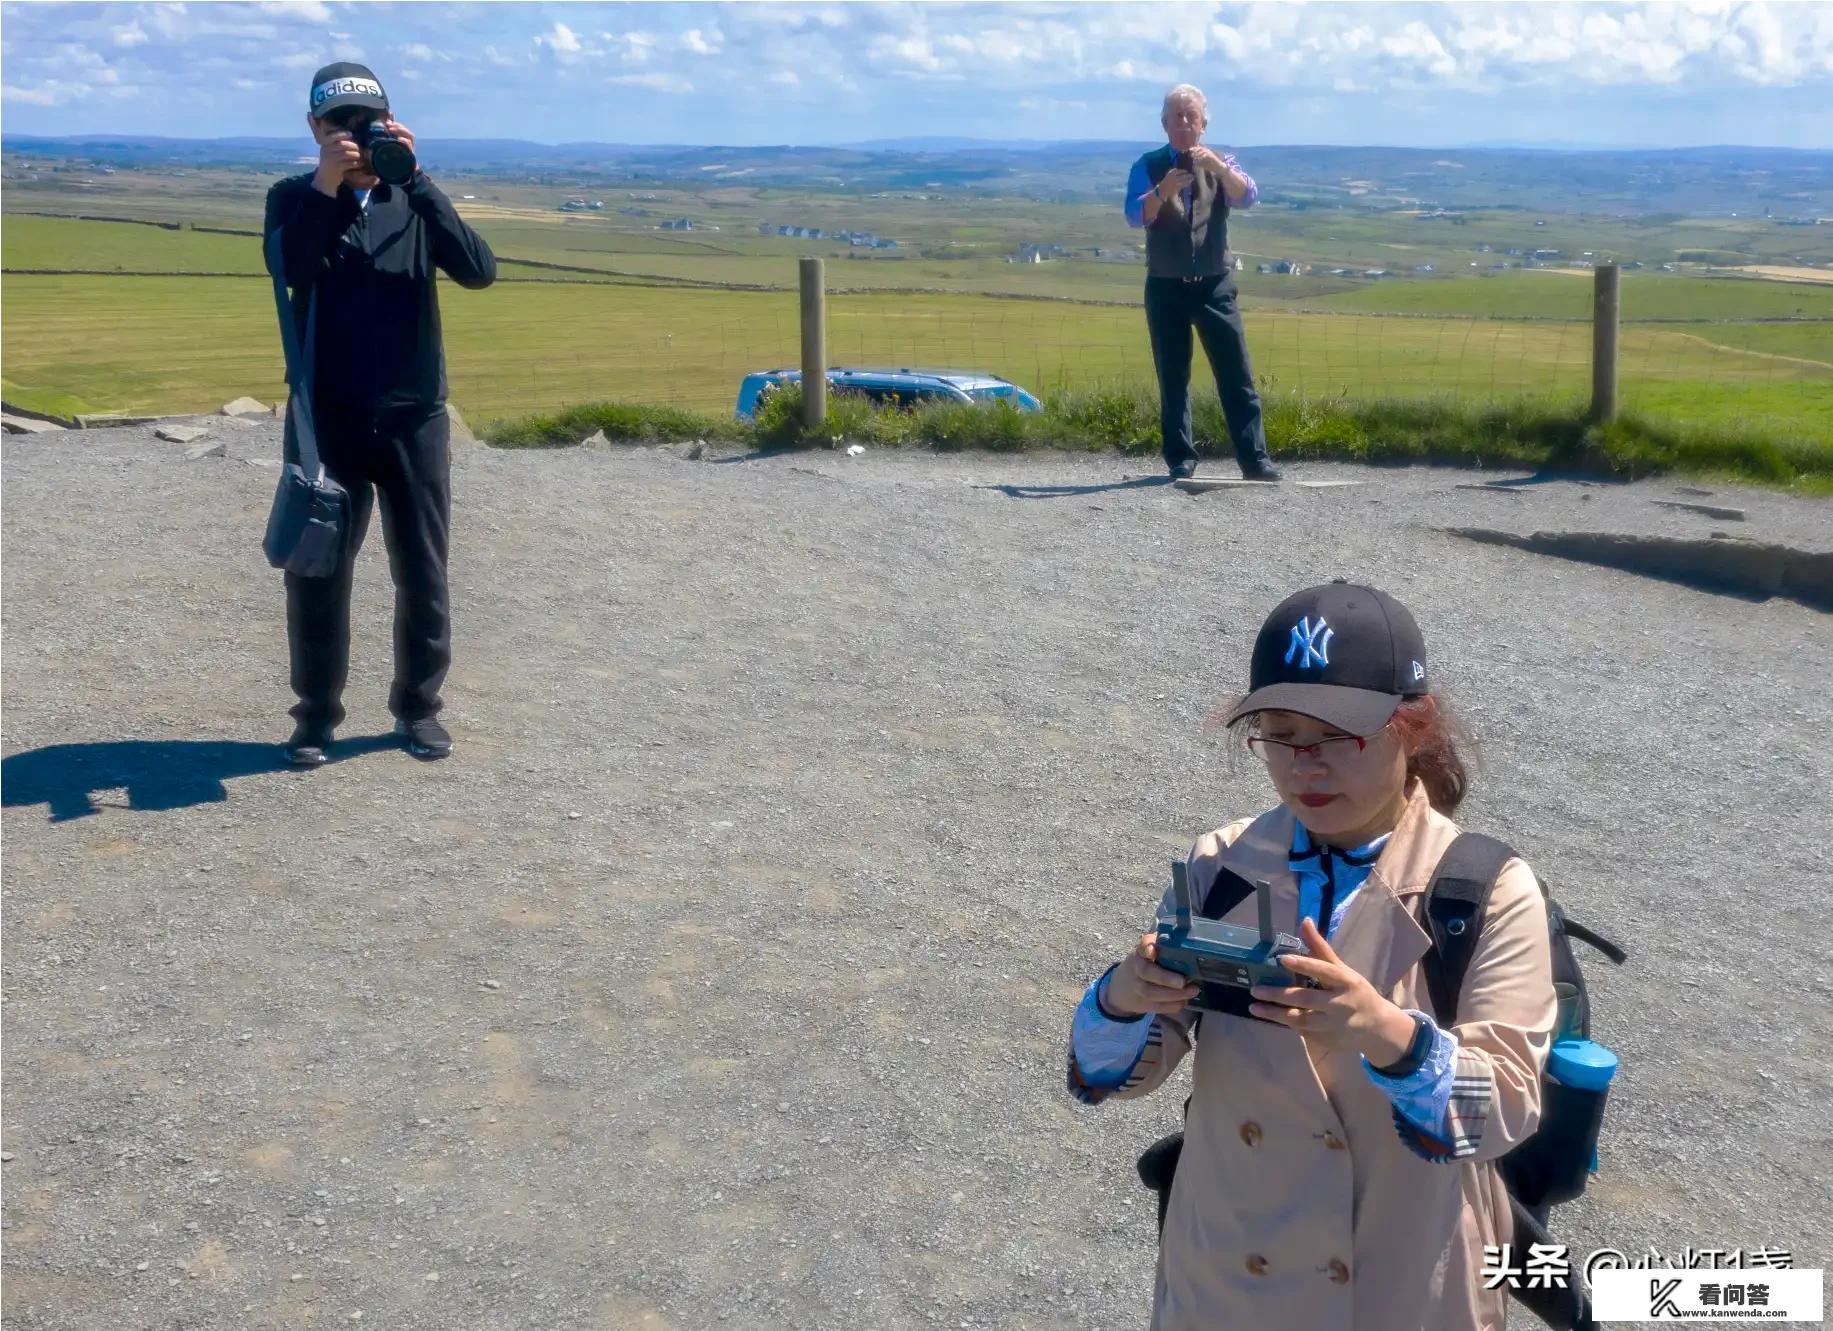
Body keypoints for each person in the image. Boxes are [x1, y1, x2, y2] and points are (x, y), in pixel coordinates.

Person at [1066, 581, 1555, 1331]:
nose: (1305, 766)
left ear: (1409, 727)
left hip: (1394, 1278)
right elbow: (1122, 1072)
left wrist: (1382, 1034)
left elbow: (1505, 1108)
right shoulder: (1220, 863)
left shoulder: (1483, 890)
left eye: (1337, 734)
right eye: (1281, 733)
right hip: (1225, 1275)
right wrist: (1123, 999)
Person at [263, 62, 496, 766]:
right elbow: (289, 268)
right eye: (338, 126)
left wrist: (417, 178)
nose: (353, 139)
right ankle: (314, 719)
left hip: (413, 416)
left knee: (423, 571)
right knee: (316, 572)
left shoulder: (411, 199)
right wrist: (327, 187)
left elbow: (479, 270)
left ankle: (419, 709)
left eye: (366, 125)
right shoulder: (292, 199)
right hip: (325, 419)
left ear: (390, 124)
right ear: (313, 129)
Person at [1124, 84, 1279, 482]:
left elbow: (1248, 196)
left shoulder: (1221, 162)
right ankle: (1181, 459)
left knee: (1236, 375)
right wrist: (1163, 191)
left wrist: (1220, 169)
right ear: (1164, 124)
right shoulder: (1148, 164)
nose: (1184, 123)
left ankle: (1255, 459)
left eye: (1191, 115)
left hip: (1214, 284)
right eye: (1177, 116)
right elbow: (1134, 214)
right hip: (1166, 285)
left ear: (1204, 123)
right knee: (1173, 377)